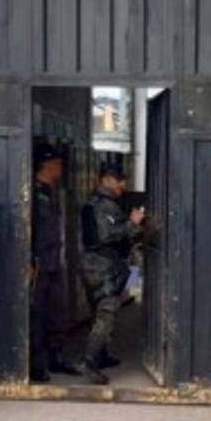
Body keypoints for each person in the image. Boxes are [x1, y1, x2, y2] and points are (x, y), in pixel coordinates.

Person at [78, 161, 145, 385]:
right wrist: (133, 223)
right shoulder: (101, 205)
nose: (122, 184)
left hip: (101, 264)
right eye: (118, 180)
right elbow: (107, 235)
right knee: (106, 312)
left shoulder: (104, 203)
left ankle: (102, 355)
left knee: (100, 310)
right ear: (105, 179)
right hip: (102, 265)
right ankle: (90, 362)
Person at [29, 141, 76, 381]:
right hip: (37, 264)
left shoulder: (52, 191)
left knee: (57, 311)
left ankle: (55, 358)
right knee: (37, 314)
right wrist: (29, 260)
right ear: (45, 165)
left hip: (54, 261)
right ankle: (35, 364)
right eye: (57, 163)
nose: (60, 168)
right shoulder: (32, 193)